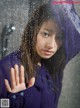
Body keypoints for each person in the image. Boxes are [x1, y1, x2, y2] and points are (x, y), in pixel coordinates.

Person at [0, 1, 80, 108]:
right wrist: (13, 99)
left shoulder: (53, 69)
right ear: (33, 31)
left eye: (59, 37)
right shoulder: (8, 67)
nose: (51, 45)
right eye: (46, 34)